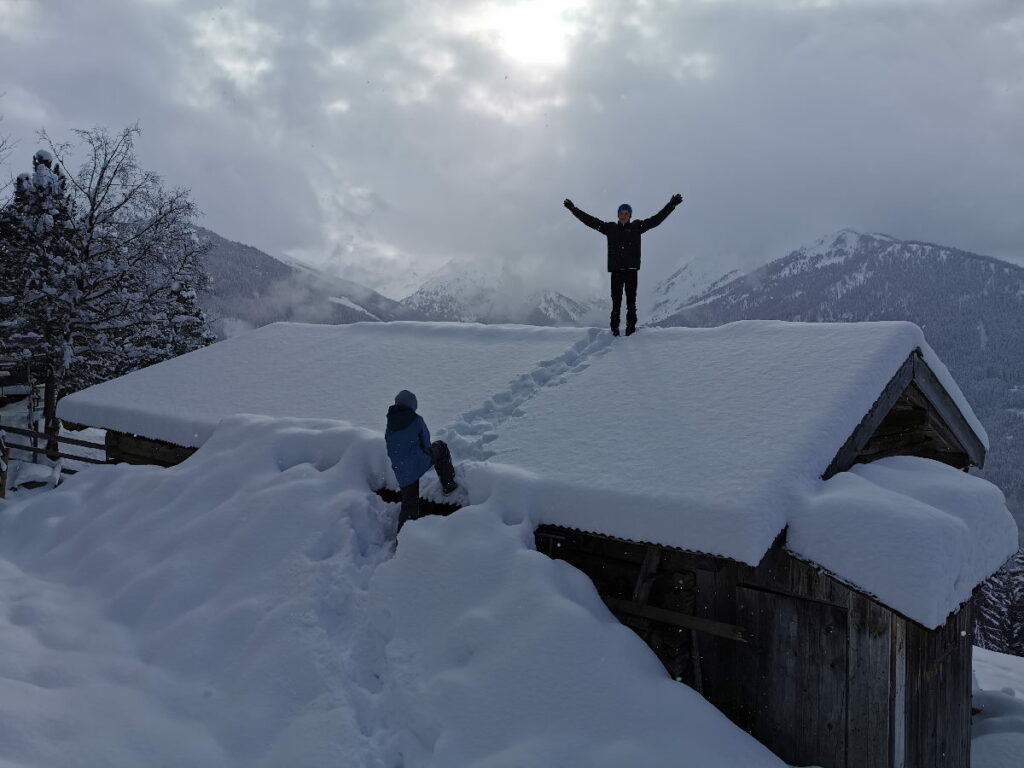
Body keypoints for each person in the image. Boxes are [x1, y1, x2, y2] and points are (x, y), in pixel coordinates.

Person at [564, 193, 683, 336]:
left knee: (631, 304)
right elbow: (591, 221)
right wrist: (573, 209)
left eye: (626, 213)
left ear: (630, 215)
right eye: (621, 213)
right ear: (618, 214)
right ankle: (614, 330)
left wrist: (671, 205)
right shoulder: (610, 228)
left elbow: (655, 220)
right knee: (616, 304)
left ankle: (630, 330)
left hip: (632, 271)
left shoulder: (637, 227)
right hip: (616, 271)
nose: (623, 216)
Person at [385, 389, 458, 531]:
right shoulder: (417, 420)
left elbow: (390, 448)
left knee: (409, 506)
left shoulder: (390, 425)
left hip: (401, 471)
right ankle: (448, 485)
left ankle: (402, 542)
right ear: (412, 405)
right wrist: (419, 457)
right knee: (441, 447)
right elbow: (426, 443)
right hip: (417, 462)